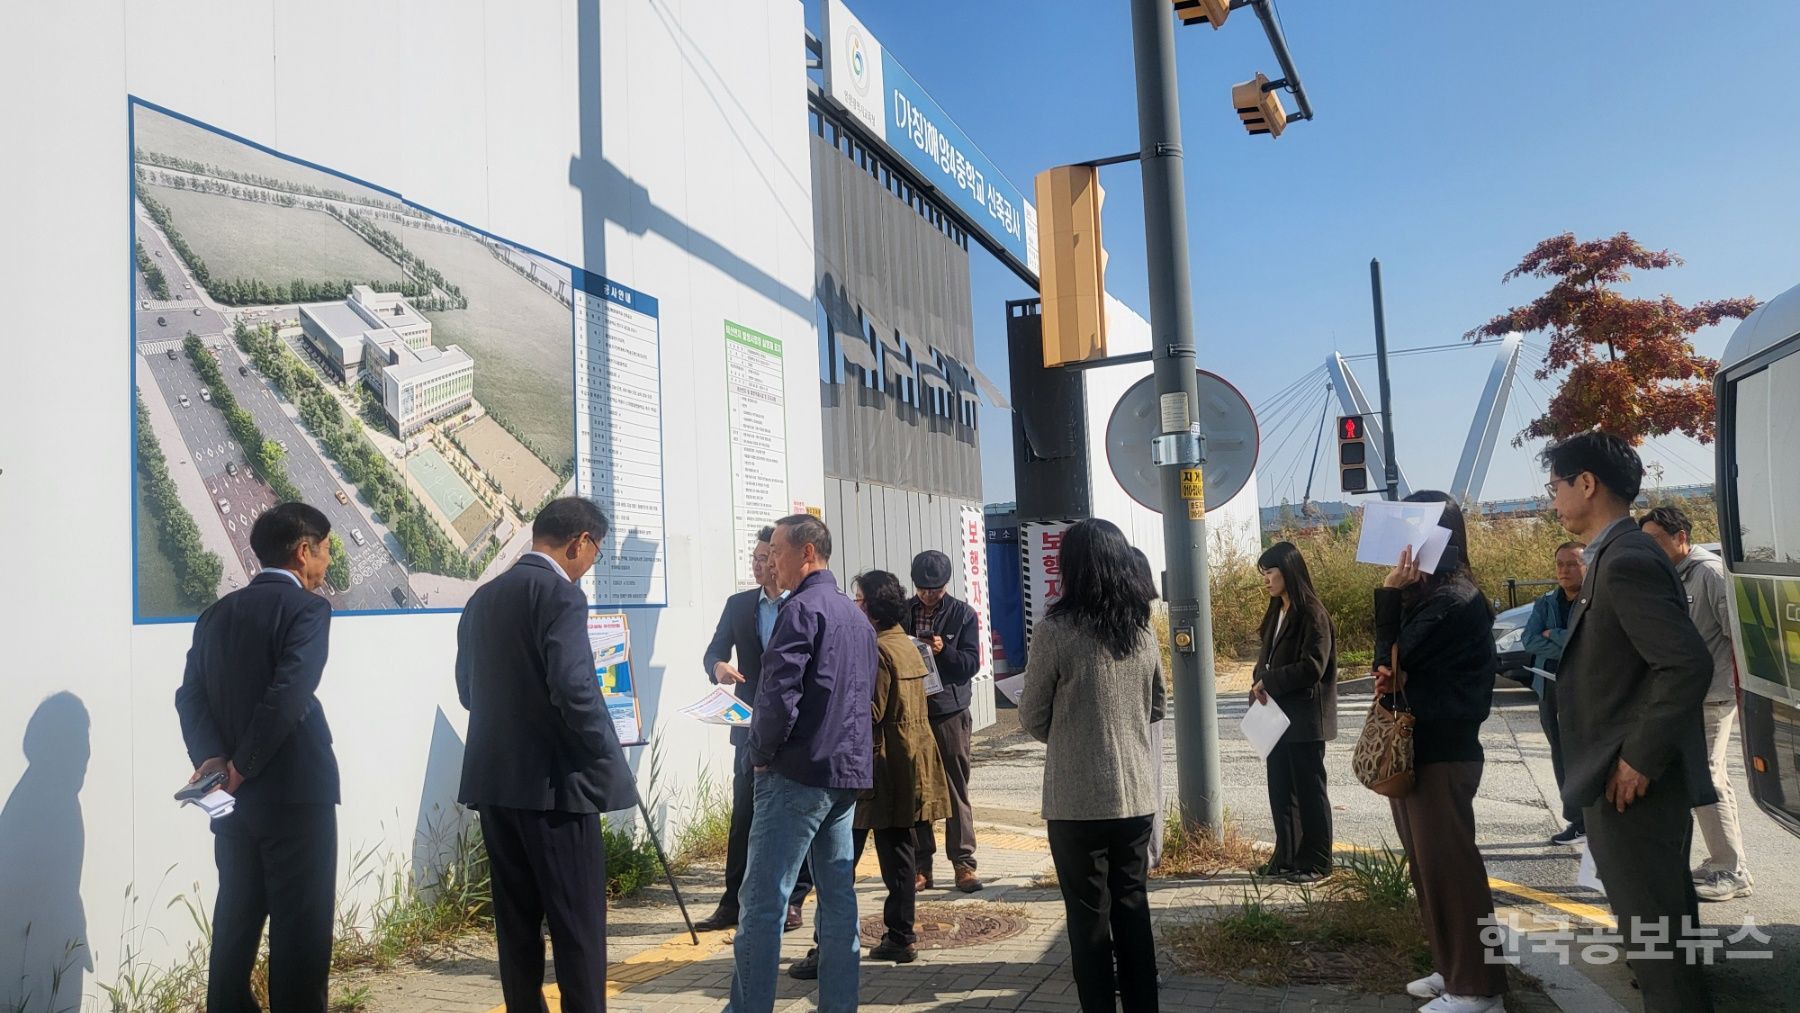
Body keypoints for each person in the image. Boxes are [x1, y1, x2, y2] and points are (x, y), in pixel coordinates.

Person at [1543, 433, 1716, 1013]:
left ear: (1586, 483)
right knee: (1655, 934)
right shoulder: (1615, 554)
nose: (1553, 500)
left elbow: (1685, 663)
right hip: (1619, 777)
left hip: (1634, 783)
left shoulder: (1627, 559)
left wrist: (1638, 757)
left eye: (1556, 486)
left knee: (1659, 937)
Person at [456, 497, 639, 1013]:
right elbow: (575, 690)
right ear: (580, 542)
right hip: (558, 790)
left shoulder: (484, 597)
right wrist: (605, 752)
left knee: (516, 923)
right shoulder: (560, 596)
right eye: (595, 552)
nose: (589, 564)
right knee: (577, 925)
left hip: (495, 786)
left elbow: (467, 689)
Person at [175, 502, 339, 1013]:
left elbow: (190, 696)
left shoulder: (216, 614)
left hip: (230, 805)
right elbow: (287, 696)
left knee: (236, 923)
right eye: (327, 550)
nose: (328, 563)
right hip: (294, 798)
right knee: (300, 938)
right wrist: (240, 770)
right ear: (303, 550)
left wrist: (212, 763)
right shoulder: (308, 610)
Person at [727, 515, 875, 1013]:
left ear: (807, 552)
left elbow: (778, 695)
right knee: (837, 899)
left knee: (763, 903)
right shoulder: (855, 616)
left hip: (796, 773)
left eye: (778, 552)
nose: (771, 561)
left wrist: (760, 755)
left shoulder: (801, 609)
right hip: (844, 774)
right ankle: (839, 1005)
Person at [1019, 518, 1165, 1013]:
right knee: (1132, 908)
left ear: (1073, 567)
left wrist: (1071, 737)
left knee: (1088, 920)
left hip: (1077, 800)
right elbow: (1157, 707)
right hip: (1137, 796)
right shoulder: (1141, 630)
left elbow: (1032, 715)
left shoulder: (1056, 631)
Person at [1372, 492, 1506, 1013]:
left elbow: (1388, 662)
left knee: (1452, 873)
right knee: (1430, 869)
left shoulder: (1454, 600)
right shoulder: (1433, 596)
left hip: (1441, 751)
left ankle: (1477, 990)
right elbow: (1394, 670)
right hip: (1420, 748)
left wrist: (1388, 593)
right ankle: (1454, 970)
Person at [791, 570, 949, 978]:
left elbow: (870, 711)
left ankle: (827, 948)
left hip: (875, 766)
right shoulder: (908, 644)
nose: (855, 605)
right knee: (899, 850)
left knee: (839, 857)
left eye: (859, 600)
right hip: (909, 759)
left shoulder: (876, 649)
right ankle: (901, 936)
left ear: (874, 607)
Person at [695, 526, 811, 933]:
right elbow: (713, 651)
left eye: (767, 558)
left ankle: (794, 901)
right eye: (756, 559)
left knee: (796, 816)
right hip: (748, 728)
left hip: (796, 729)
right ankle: (732, 903)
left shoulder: (803, 604)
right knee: (744, 814)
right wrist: (718, 668)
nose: (761, 565)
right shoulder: (739, 605)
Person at [1639, 504, 1752, 902]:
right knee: (1709, 776)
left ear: (1681, 538)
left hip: (1712, 696)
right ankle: (1725, 859)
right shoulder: (1672, 574)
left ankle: (1729, 870)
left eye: (1655, 539)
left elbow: (1737, 636)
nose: (1648, 548)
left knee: (1706, 777)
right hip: (1686, 697)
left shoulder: (1708, 574)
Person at [1248, 540, 1338, 884]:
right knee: (1281, 787)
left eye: (1270, 572)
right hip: (1275, 716)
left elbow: (1312, 667)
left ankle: (1317, 862)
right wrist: (1259, 680)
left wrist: (1269, 681)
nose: (1267, 579)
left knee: (1309, 790)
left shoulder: (1312, 613)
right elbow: (1268, 657)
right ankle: (1286, 856)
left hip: (1304, 718)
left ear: (1288, 571)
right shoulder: (1277, 610)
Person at [908, 550, 985, 893]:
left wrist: (943, 651)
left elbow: (971, 665)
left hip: (950, 711)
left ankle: (964, 864)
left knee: (955, 786)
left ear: (946, 585)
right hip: (911, 711)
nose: (927, 595)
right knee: (916, 789)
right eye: (922, 588)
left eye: (934, 589)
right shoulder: (902, 614)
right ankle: (921, 866)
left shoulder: (963, 614)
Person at [1522, 541, 1587, 846]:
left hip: (1588, 685)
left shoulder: (1594, 599)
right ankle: (1577, 820)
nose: (1564, 570)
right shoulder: (1546, 601)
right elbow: (1529, 640)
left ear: (1587, 565)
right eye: (1560, 564)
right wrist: (1568, 644)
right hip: (1550, 685)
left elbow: (1592, 642)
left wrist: (1556, 635)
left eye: (1572, 563)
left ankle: (1597, 818)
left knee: (1588, 752)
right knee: (1560, 751)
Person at [1130, 547, 1167, 870]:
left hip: (1140, 717)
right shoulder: (1143, 622)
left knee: (1145, 783)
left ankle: (1149, 853)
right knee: (1151, 779)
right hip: (1148, 717)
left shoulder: (1135, 626)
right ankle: (1151, 851)